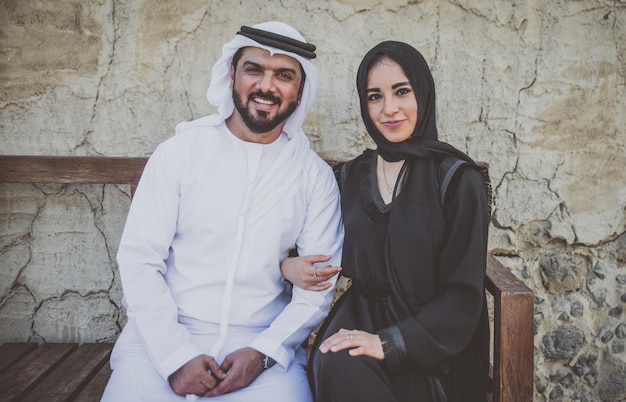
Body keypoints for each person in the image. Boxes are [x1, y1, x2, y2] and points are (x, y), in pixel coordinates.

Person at [101, 21, 343, 402]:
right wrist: (175, 356)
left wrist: (263, 353)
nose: (266, 85)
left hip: (263, 346)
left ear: (300, 91)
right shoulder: (179, 154)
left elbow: (317, 290)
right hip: (159, 341)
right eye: (254, 69)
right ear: (232, 75)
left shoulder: (313, 176)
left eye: (284, 75)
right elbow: (139, 262)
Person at [282, 41, 491, 401]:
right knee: (338, 359)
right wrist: (288, 263)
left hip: (435, 345)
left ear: (422, 94)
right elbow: (307, 241)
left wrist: (390, 343)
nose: (389, 108)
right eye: (375, 96)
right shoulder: (350, 177)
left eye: (402, 91)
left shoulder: (456, 180)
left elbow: (463, 295)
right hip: (360, 320)